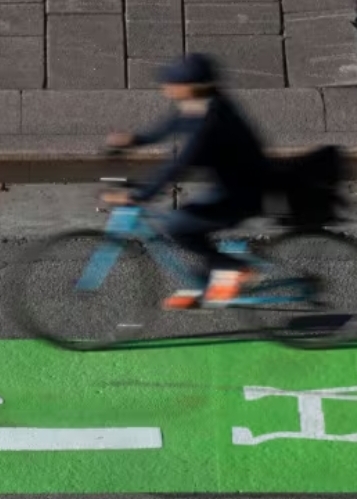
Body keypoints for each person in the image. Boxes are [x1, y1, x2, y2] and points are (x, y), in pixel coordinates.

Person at [103, 53, 271, 310]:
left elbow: (179, 165)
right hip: (231, 186)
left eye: (174, 82)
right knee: (188, 221)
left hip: (245, 194)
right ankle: (207, 285)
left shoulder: (211, 122)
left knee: (178, 225)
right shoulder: (201, 104)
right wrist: (134, 141)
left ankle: (236, 268)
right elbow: (168, 127)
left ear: (192, 86)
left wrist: (142, 195)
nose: (167, 87)